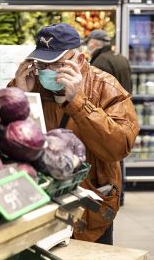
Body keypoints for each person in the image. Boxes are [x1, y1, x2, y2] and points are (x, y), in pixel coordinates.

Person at [8, 23, 139, 245]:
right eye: (42, 64)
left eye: (57, 64)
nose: (47, 71)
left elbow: (119, 147)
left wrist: (78, 101)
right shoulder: (30, 84)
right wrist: (18, 96)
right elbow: (10, 140)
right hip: (41, 204)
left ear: (78, 60)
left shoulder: (106, 87)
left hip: (91, 207)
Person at [85, 29, 133, 206]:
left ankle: (114, 192)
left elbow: (97, 93)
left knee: (109, 158)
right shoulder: (122, 59)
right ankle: (121, 193)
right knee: (121, 155)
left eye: (90, 42)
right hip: (123, 112)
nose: (88, 46)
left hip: (106, 116)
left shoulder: (100, 62)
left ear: (95, 44)